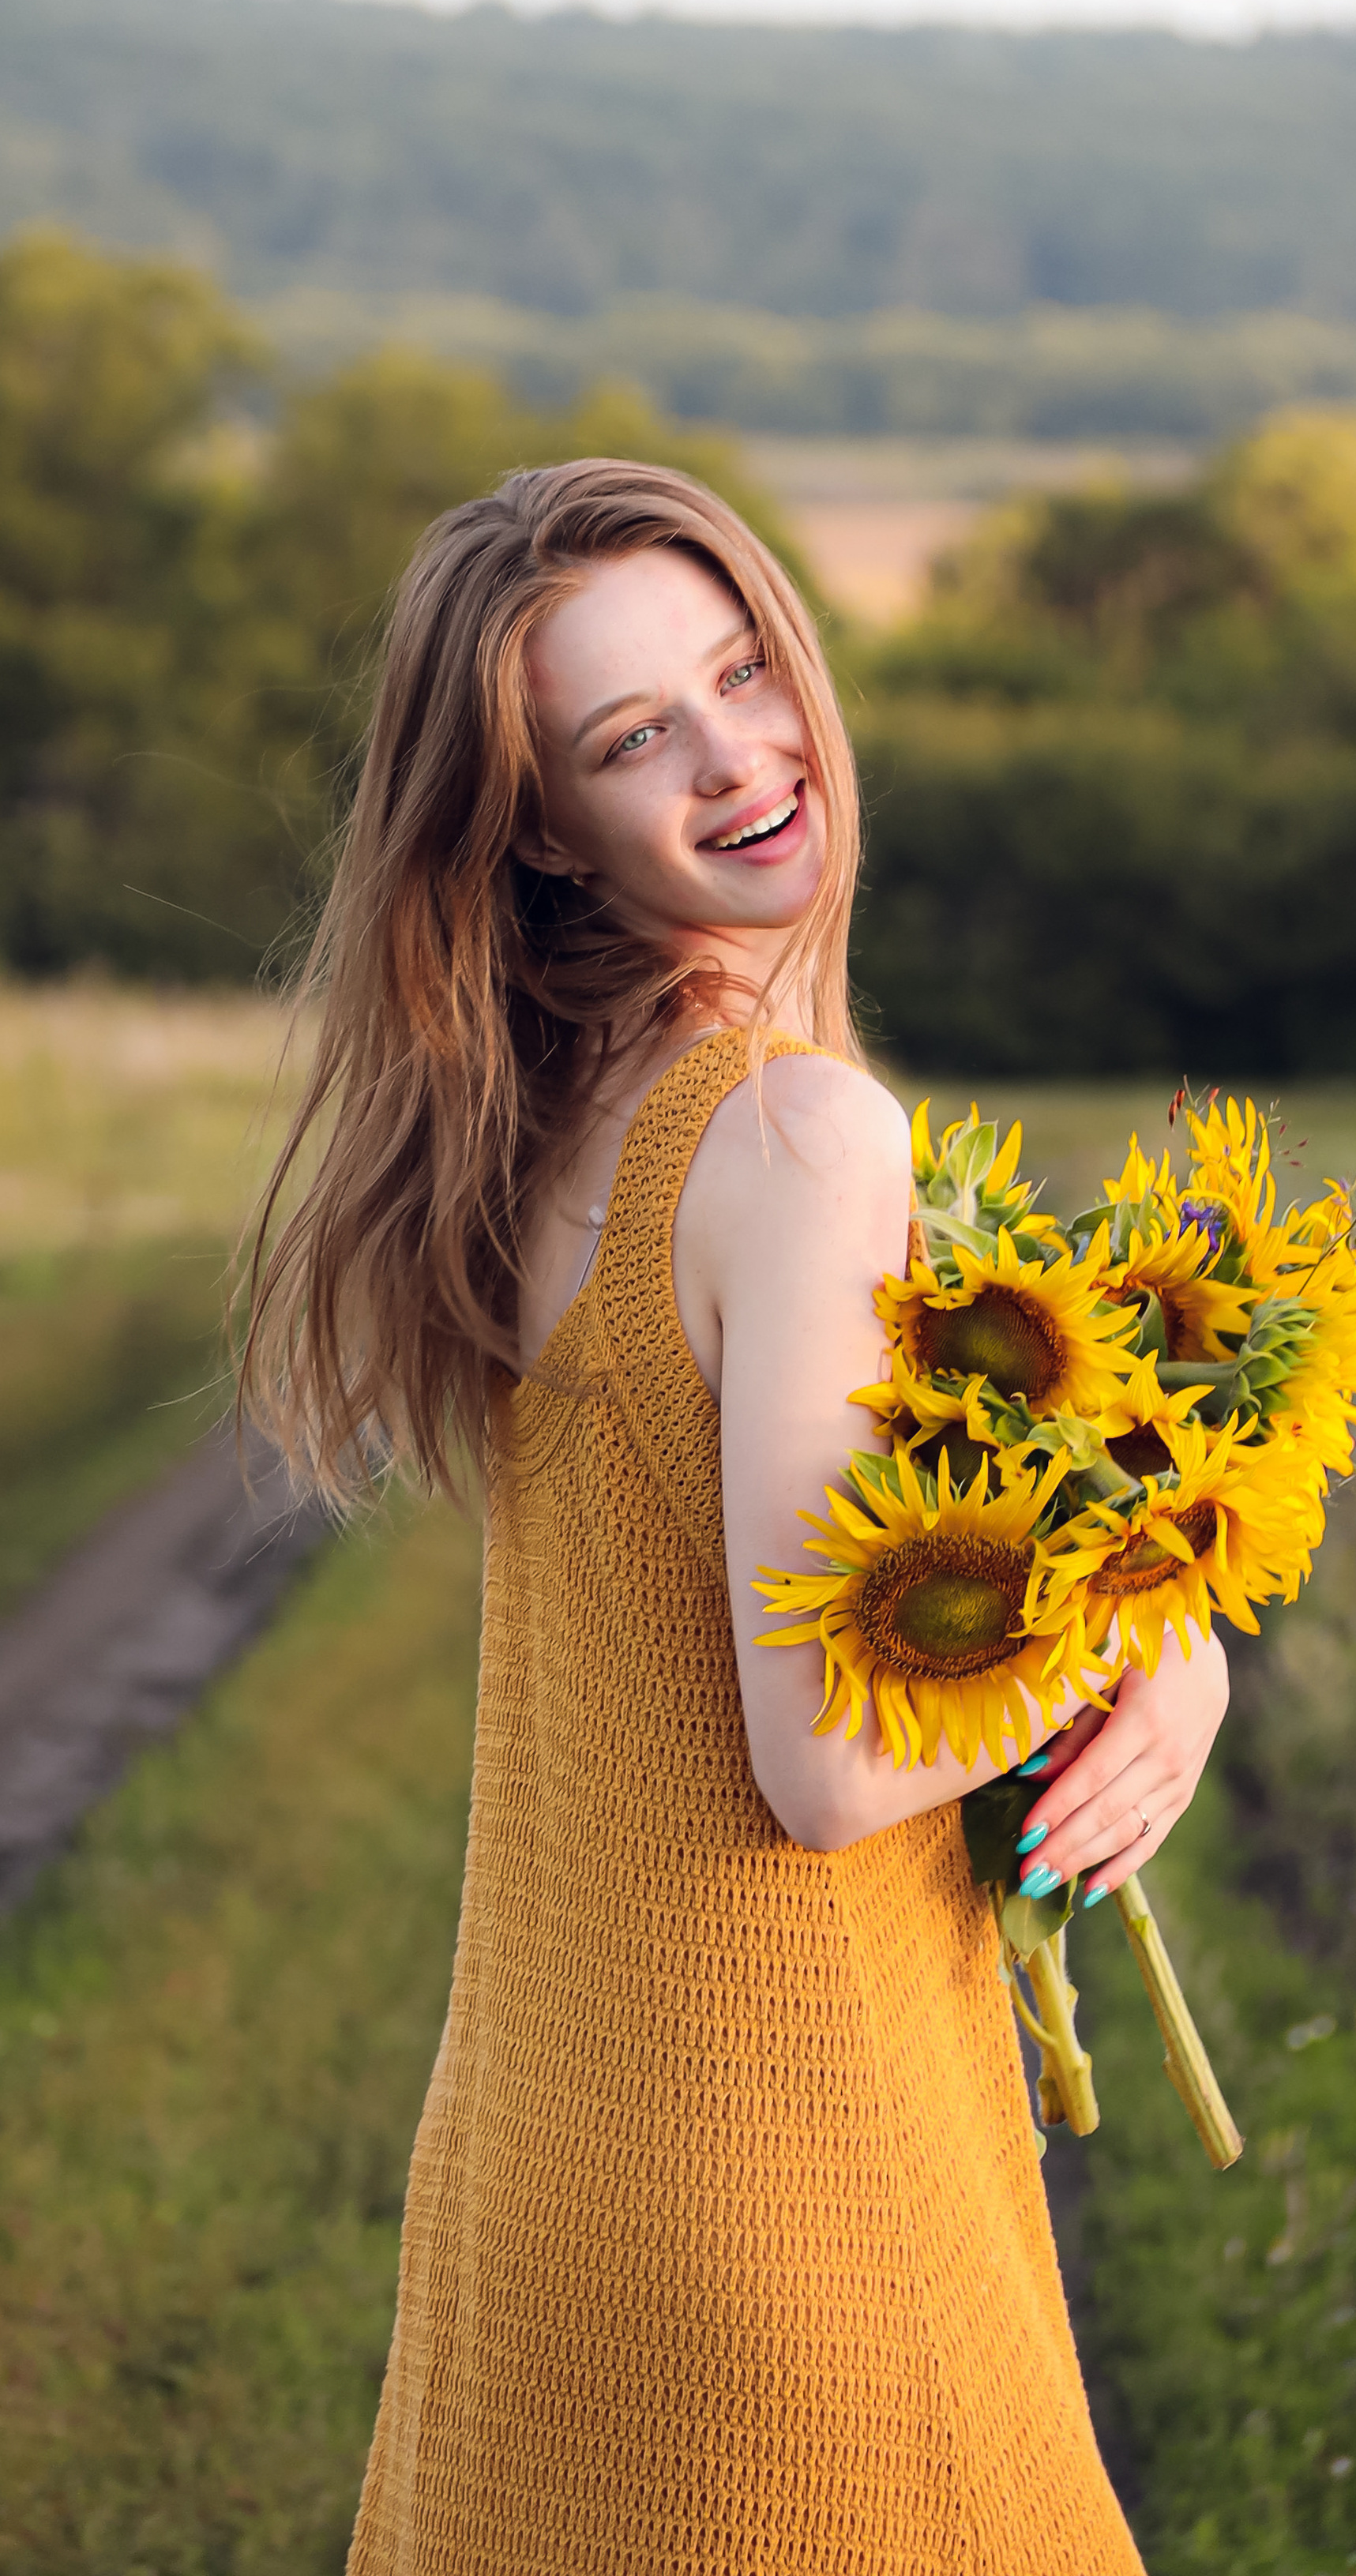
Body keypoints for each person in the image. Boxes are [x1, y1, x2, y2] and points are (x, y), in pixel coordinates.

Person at [240, 458, 1229, 2574]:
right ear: (540, 827)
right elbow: (833, 1754)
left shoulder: (526, 1133)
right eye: (632, 738)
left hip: (544, 2152)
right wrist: (1160, 1626)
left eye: (740, 668)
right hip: (791, 2170)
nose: (737, 754)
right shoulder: (789, 1133)